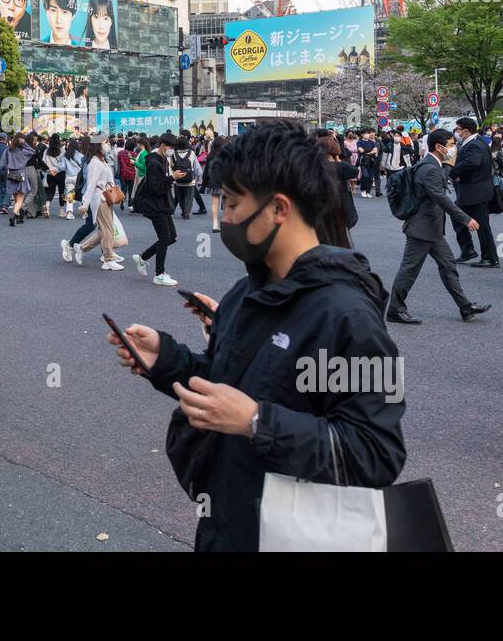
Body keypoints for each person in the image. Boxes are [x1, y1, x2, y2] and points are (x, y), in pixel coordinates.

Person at [107, 122, 406, 551]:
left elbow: (375, 453)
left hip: (296, 538)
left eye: (231, 203)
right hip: (229, 521)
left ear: (278, 209)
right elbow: (227, 381)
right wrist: (166, 360)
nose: (224, 218)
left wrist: (257, 422)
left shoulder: (346, 315)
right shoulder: (248, 289)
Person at [386, 128, 492, 326]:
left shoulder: (434, 164)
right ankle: (395, 309)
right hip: (421, 229)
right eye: (451, 145)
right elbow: (441, 198)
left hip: (431, 229)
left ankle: (465, 306)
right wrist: (465, 219)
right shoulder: (429, 168)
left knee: (448, 266)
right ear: (439, 147)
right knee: (409, 270)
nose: (454, 148)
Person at [131, 136, 185, 287]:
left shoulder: (162, 159)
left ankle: (142, 258)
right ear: (162, 146)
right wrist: (172, 178)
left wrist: (172, 177)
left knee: (171, 237)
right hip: (156, 206)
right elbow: (156, 188)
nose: (172, 151)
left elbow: (161, 183)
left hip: (162, 205)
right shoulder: (154, 162)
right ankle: (159, 275)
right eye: (170, 148)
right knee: (165, 238)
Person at [62, 137, 122, 270]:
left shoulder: (101, 160)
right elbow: (91, 185)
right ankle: (108, 259)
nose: (107, 145)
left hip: (106, 196)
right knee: (107, 229)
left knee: (104, 229)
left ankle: (81, 248)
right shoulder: (95, 162)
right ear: (97, 145)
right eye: (104, 143)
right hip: (99, 198)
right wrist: (84, 204)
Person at [448, 117, 499, 268]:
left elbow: (472, 162)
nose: (456, 133)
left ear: (465, 130)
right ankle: (468, 250)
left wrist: (454, 172)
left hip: (476, 191)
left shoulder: (475, 144)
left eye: (458, 129)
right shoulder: (473, 142)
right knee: (458, 217)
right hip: (471, 191)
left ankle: (490, 257)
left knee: (482, 226)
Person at [2, 134, 34, 227]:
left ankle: (19, 217)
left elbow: (2, 165)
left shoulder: (7, 151)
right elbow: (33, 151)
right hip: (21, 173)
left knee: (16, 198)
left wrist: (8, 167)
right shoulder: (23, 151)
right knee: (20, 199)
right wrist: (24, 144)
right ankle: (15, 215)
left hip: (11, 174)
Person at [173, 138, 199, 220]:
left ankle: (183, 209)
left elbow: (171, 166)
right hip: (190, 180)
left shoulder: (174, 153)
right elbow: (196, 166)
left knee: (180, 196)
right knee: (189, 197)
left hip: (178, 179)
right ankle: (186, 213)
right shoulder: (191, 153)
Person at [357, 127, 380, 198]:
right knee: (365, 175)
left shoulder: (372, 142)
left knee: (370, 177)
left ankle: (368, 191)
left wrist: (368, 152)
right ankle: (363, 190)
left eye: (368, 133)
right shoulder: (359, 142)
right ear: (362, 134)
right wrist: (370, 151)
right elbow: (361, 150)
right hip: (363, 161)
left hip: (372, 161)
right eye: (365, 133)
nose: (367, 135)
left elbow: (375, 150)